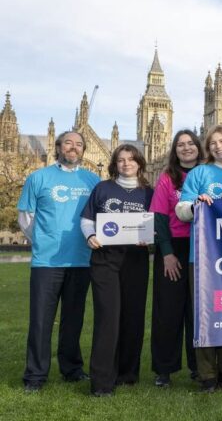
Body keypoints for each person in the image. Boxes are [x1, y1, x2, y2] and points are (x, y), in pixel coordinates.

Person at [17, 131, 100, 392]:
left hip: (81, 260)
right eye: (68, 143)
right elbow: (25, 218)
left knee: (73, 319)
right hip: (47, 261)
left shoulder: (92, 180)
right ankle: (35, 375)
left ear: (83, 150)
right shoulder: (38, 178)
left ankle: (72, 368)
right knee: (41, 319)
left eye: (78, 144)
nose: (73, 148)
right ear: (58, 147)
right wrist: (44, 239)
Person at [81, 145, 154, 397]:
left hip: (135, 259)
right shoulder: (103, 188)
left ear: (139, 163)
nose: (126, 164)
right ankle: (102, 382)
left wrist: (151, 238)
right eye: (121, 160)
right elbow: (87, 218)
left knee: (133, 317)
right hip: (105, 259)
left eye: (131, 159)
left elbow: (156, 224)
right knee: (108, 318)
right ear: (115, 164)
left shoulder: (149, 192)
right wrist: (89, 234)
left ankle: (127, 374)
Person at [176, 125, 222, 393]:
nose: (218, 146)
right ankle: (207, 375)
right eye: (212, 142)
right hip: (202, 255)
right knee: (204, 314)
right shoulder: (199, 173)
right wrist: (196, 205)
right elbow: (181, 210)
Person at [149, 130, 203, 387]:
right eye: (180, 145)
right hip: (173, 247)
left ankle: (199, 366)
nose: (186, 148)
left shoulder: (207, 173)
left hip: (203, 248)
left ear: (198, 147)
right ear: (175, 150)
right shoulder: (167, 178)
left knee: (198, 310)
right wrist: (167, 253)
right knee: (168, 310)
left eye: (190, 143)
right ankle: (164, 369)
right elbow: (158, 217)